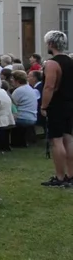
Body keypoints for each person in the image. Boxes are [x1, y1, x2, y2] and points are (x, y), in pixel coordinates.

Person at [40, 30, 73, 187]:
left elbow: (49, 87)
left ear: (51, 44)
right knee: (69, 139)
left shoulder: (52, 63)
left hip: (57, 104)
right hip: (69, 103)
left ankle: (60, 177)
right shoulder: (70, 61)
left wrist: (44, 105)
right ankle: (71, 175)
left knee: (57, 141)